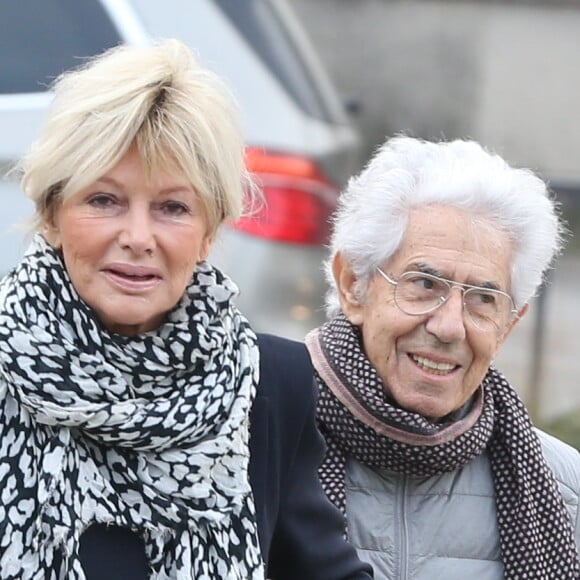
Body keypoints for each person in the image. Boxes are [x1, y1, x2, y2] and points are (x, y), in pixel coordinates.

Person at [0, 40, 373, 580]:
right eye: (104, 200)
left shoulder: (268, 386)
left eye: (172, 208)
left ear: (208, 233)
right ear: (53, 214)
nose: (137, 237)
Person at [305, 135, 580, 579]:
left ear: (509, 324)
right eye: (424, 284)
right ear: (353, 285)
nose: (449, 326)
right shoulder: (257, 446)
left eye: (483, 299)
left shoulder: (563, 492)